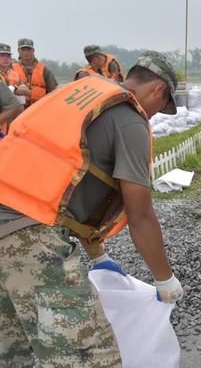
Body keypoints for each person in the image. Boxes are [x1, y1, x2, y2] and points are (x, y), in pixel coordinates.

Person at [0, 51, 184, 366]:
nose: (152, 117)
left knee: (16, 353)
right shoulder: (128, 117)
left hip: (10, 225)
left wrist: (99, 255)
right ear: (158, 91)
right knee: (88, 357)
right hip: (29, 239)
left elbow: (66, 178)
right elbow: (140, 215)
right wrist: (164, 279)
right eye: (159, 109)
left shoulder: (76, 95)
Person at [11, 38, 58, 107]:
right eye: (23, 50)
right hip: (19, 109)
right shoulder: (11, 68)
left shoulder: (44, 69)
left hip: (39, 108)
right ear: (18, 51)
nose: (26, 52)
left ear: (33, 50)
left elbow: (54, 91)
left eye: (29, 49)